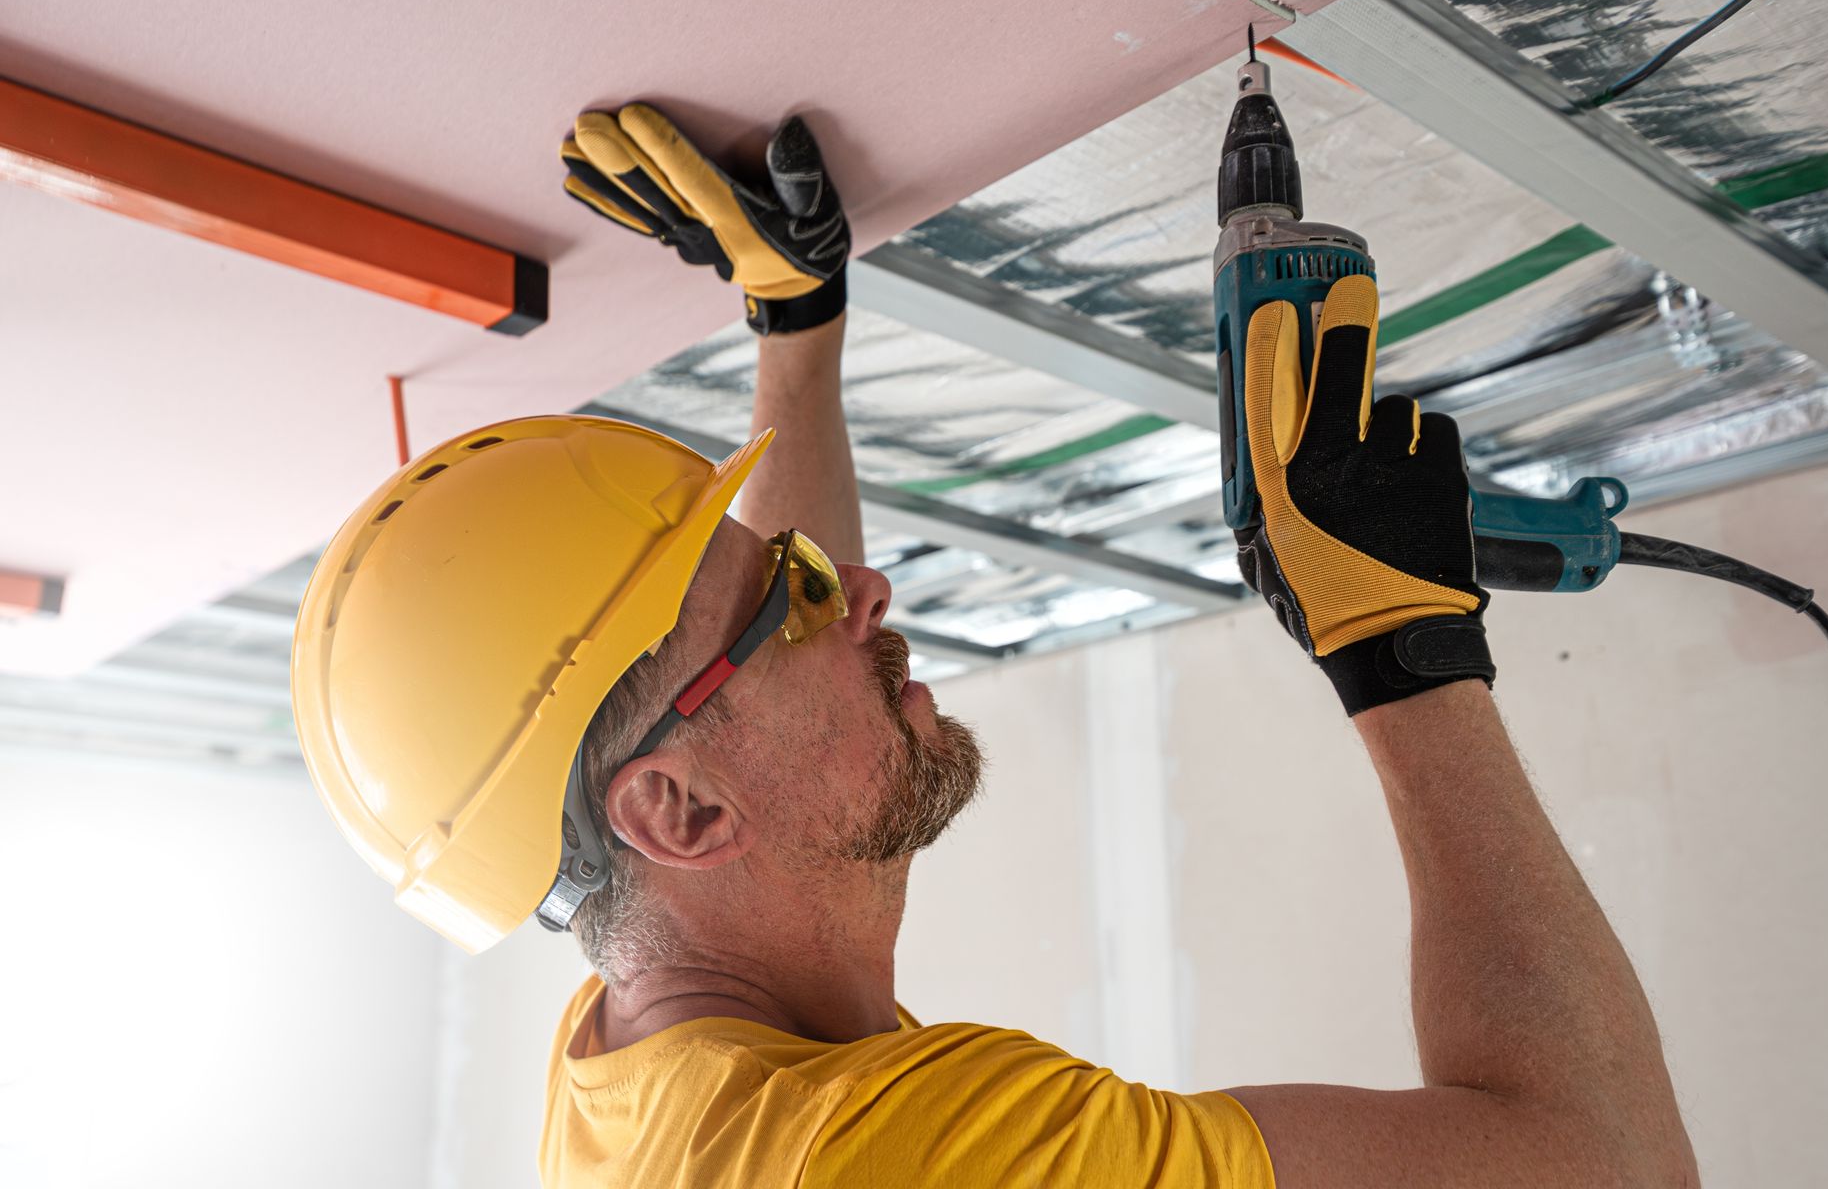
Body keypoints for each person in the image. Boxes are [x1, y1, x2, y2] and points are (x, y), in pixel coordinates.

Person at [291, 104, 1698, 1187]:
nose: (863, 594)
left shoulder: (635, 1066)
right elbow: (1609, 1168)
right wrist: (1399, 642)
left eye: (791, 566)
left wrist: (798, 333)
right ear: (676, 807)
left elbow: (720, 661)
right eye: (793, 605)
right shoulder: (899, 1157)